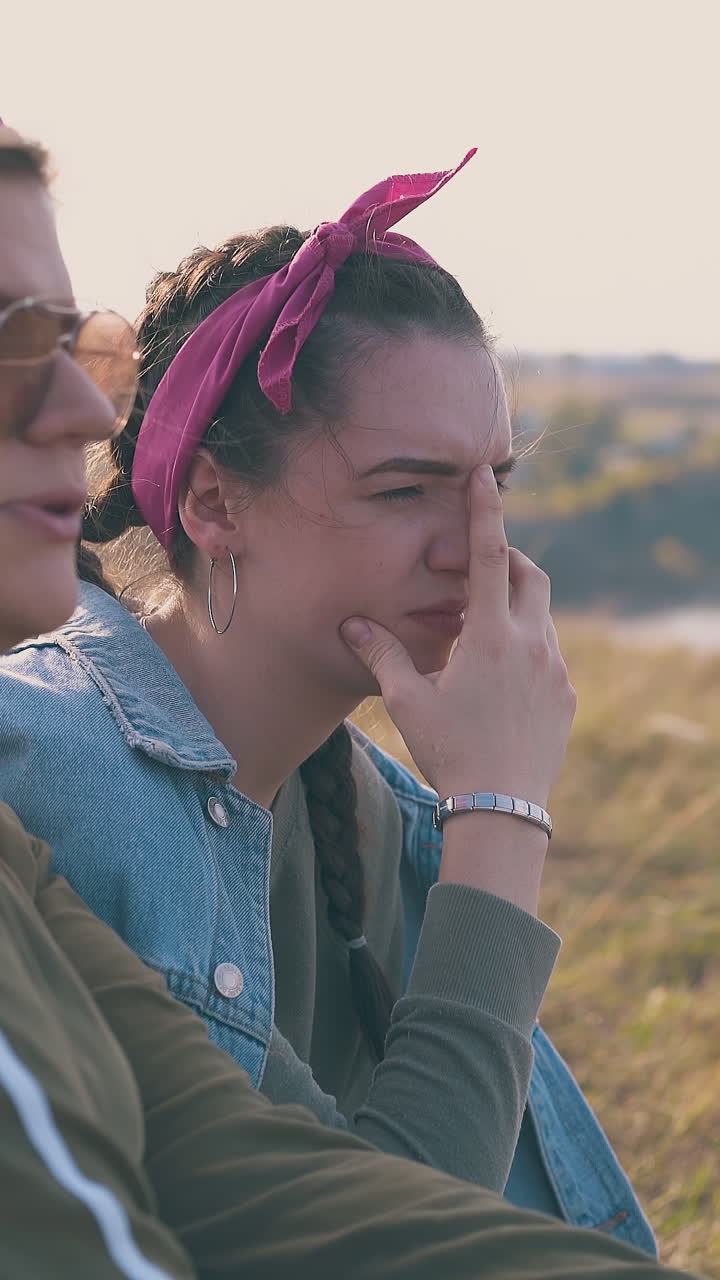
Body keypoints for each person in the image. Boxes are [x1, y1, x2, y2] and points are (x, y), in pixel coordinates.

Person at [0, 120, 700, 1280]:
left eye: (496, 484)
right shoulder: (56, 755)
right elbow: (370, 1235)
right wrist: (498, 815)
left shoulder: (365, 803)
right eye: (407, 487)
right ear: (216, 506)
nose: (482, 550)